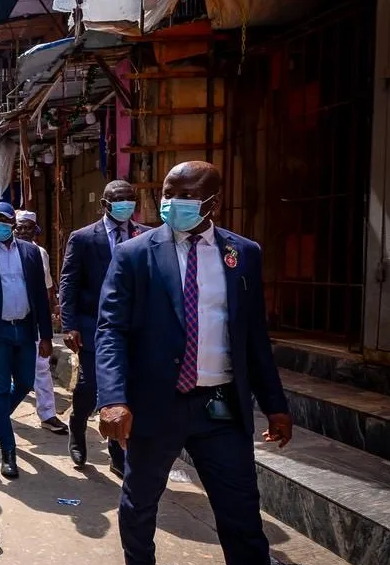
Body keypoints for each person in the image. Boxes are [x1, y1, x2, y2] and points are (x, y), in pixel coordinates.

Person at [95, 161, 293, 565]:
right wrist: (113, 397)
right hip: (155, 405)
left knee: (241, 510)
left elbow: (253, 336)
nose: (173, 202)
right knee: (140, 504)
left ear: (213, 202)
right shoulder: (135, 254)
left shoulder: (244, 254)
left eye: (186, 195)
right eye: (169, 193)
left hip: (219, 407)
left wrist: (275, 404)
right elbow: (110, 329)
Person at [59, 180, 149, 477]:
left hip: (133, 328)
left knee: (126, 389)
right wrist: (69, 324)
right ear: (105, 205)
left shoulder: (146, 236)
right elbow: (69, 283)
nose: (125, 205)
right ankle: (78, 425)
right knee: (89, 387)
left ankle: (117, 451)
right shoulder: (84, 238)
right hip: (93, 327)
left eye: (130, 199)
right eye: (118, 200)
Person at [0, 202, 53, 478]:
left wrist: (47, 335)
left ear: (14, 222)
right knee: (0, 389)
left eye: (4, 219)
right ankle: (8, 451)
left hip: (25, 330)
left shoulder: (31, 253)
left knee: (26, 382)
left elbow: (40, 295)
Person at [0, 210, 68, 434]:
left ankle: (46, 413)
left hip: (29, 323)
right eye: (21, 227)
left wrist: (49, 317)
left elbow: (44, 288)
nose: (24, 231)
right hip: (0, 325)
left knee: (39, 369)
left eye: (29, 227)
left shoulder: (38, 253)